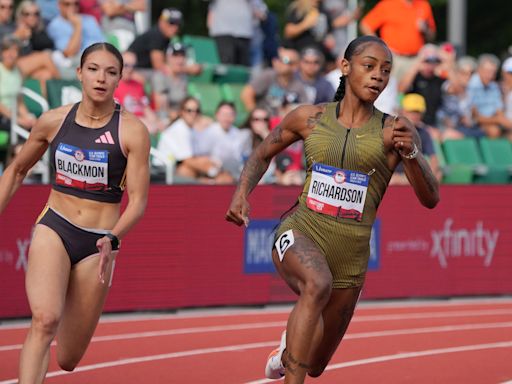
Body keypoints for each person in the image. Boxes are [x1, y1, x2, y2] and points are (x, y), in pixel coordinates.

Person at [226, 35, 439, 384]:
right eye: (368, 67)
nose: (377, 77)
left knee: (316, 364)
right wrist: (241, 193)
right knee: (316, 283)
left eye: (385, 71)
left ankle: (284, 354)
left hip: (350, 259)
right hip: (300, 230)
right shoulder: (309, 118)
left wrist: (412, 152)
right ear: (345, 67)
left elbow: (431, 199)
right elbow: (263, 152)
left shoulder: (392, 131)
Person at [0, 42, 150, 382]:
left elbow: (138, 201)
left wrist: (113, 238)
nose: (101, 78)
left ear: (119, 79)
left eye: (111, 72)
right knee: (44, 320)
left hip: (98, 243)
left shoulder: (132, 131)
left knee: (67, 357)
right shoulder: (53, 121)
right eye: (93, 69)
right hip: (55, 226)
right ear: (79, 73)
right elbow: (17, 170)